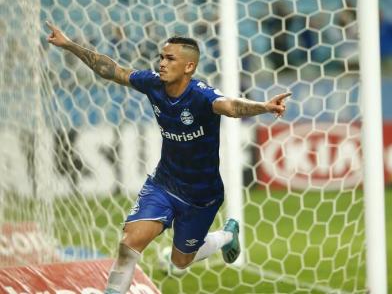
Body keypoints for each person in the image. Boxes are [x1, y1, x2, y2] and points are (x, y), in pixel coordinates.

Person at [45, 21, 291, 294]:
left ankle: (226, 236)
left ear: (188, 67)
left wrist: (264, 107)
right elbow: (112, 70)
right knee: (129, 245)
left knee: (181, 260)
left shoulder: (200, 95)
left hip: (201, 195)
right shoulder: (153, 84)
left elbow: (231, 106)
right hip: (163, 184)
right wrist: (69, 45)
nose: (162, 62)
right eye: (161, 56)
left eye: (170, 58)